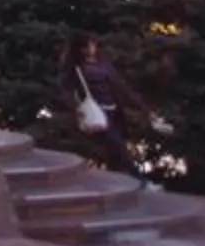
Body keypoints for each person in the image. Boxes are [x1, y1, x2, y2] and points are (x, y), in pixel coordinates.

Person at [57, 33, 152, 175]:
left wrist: (142, 108)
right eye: (88, 45)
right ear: (81, 49)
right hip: (97, 113)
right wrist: (75, 108)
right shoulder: (76, 67)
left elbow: (121, 86)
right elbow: (66, 89)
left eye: (93, 44)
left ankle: (116, 178)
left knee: (114, 152)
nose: (92, 48)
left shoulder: (103, 63)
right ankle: (138, 178)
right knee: (118, 146)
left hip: (113, 110)